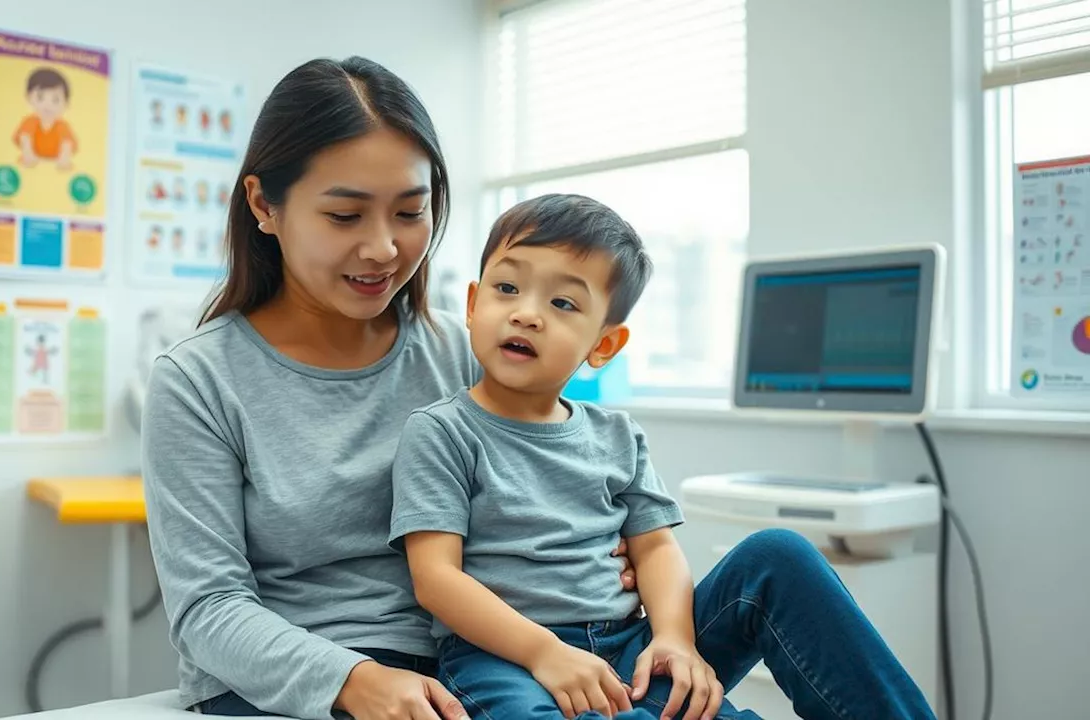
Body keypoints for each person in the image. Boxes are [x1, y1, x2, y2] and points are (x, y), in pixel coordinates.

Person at [144, 56, 624, 720]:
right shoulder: (198, 380)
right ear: (263, 204)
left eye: (409, 212)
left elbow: (555, 493)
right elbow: (208, 608)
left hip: (477, 664)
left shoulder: (468, 350)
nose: (383, 248)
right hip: (305, 682)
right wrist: (355, 680)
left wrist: (604, 554)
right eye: (345, 216)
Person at [389, 195, 938, 720]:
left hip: (631, 649)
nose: (527, 314)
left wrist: (675, 639)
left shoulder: (617, 436)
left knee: (779, 554)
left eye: (562, 303)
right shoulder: (442, 432)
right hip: (506, 662)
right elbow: (437, 579)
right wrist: (543, 653)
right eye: (507, 288)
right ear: (472, 304)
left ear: (603, 345)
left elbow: (655, 549)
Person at [14, 67, 76, 171]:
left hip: (55, 165)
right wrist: (28, 154)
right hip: (31, 165)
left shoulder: (62, 126)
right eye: (40, 97)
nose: (47, 105)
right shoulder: (30, 121)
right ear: (29, 98)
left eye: (55, 100)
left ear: (66, 104)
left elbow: (67, 143)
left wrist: (64, 159)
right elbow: (24, 137)